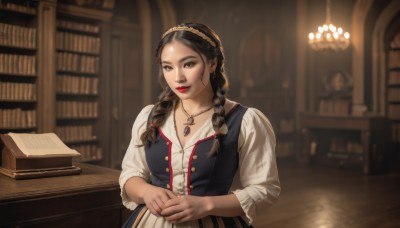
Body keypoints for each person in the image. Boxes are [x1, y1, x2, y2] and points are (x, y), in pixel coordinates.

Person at [119, 22, 280, 227]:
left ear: (212, 63)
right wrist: (146, 191)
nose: (178, 77)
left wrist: (206, 205)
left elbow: (264, 189)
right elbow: (130, 174)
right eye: (168, 67)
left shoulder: (246, 120)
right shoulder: (148, 117)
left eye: (188, 64)